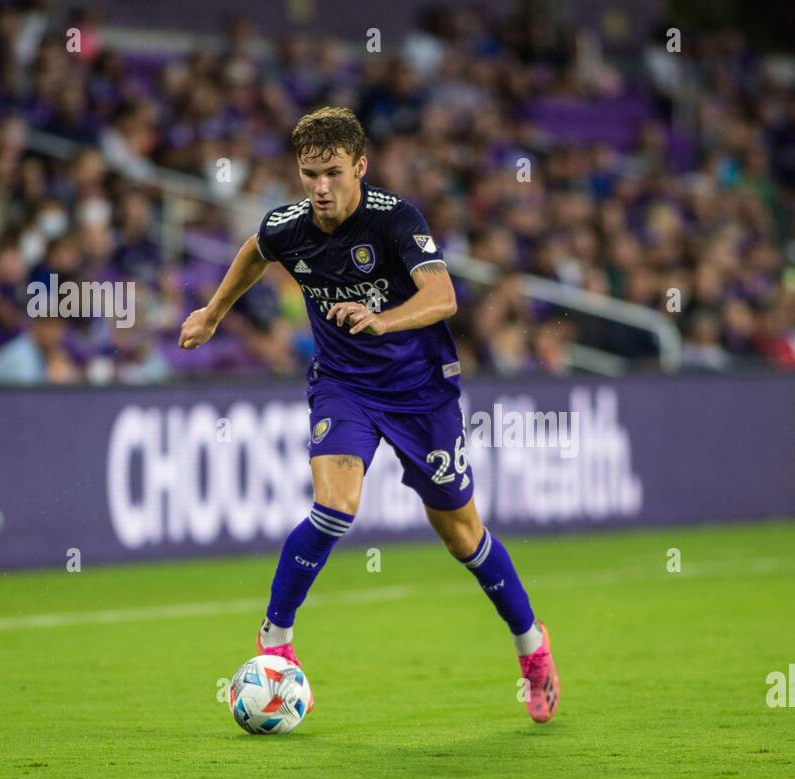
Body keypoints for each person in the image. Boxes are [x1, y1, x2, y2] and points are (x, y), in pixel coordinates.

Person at [179, 107, 559, 723]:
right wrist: (215, 312)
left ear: (360, 165)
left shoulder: (396, 220)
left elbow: (442, 297)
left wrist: (381, 318)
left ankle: (531, 645)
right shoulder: (291, 225)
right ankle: (275, 638)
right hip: (344, 387)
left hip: (420, 393)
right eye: (308, 175)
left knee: (463, 536)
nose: (320, 188)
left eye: (331, 172)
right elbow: (256, 249)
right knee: (335, 508)